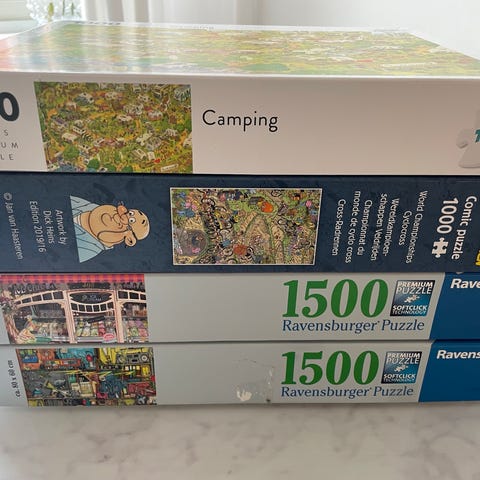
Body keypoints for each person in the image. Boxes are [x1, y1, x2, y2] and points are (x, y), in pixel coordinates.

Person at [70, 196, 150, 263]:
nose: (118, 215)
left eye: (131, 221)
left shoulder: (83, 251)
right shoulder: (78, 202)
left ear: (129, 240)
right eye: (129, 213)